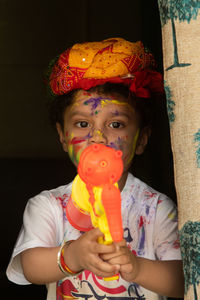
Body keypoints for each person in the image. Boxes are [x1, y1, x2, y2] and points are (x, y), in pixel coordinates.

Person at [6, 37, 184, 300]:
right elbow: (29, 267)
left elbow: (184, 282)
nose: (98, 137)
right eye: (82, 124)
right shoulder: (49, 205)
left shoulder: (157, 208)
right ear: (62, 136)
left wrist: (137, 268)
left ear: (142, 139)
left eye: (115, 125)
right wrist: (73, 256)